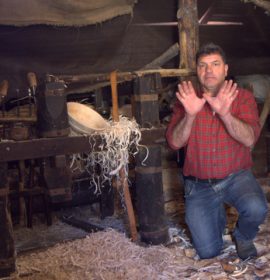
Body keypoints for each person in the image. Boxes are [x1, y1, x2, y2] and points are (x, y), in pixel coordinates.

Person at [166, 42, 268, 260]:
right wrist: (190, 114)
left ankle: (243, 236)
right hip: (198, 184)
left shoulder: (242, 97)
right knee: (209, 252)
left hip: (235, 177)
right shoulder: (187, 99)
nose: (208, 70)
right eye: (202, 65)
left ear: (225, 69)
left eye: (215, 64)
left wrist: (225, 114)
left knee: (257, 208)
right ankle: (216, 213)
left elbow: (250, 138)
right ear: (197, 70)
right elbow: (175, 143)